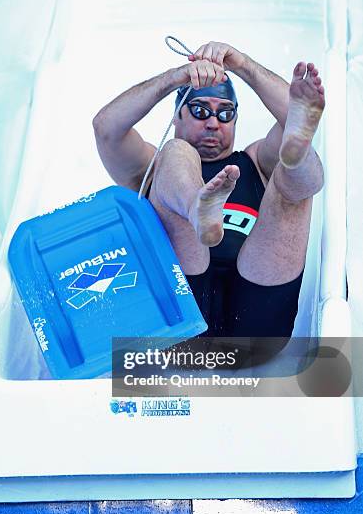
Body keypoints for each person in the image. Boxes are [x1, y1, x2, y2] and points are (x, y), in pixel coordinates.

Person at [93, 41, 325, 339]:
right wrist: (175, 77)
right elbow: (105, 127)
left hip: (258, 319)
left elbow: (291, 114)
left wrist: (243, 65)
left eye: (225, 113)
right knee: (176, 151)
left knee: (290, 171)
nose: (214, 123)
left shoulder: (254, 162)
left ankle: (300, 158)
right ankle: (195, 207)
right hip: (182, 319)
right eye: (200, 110)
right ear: (177, 115)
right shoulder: (149, 169)